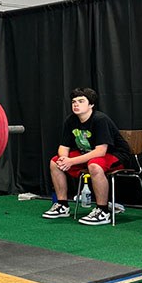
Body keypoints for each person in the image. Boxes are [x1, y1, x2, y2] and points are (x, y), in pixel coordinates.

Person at [42, 87, 132, 225]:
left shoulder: (100, 119)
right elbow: (63, 147)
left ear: (91, 104)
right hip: (88, 154)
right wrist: (63, 159)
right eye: (73, 101)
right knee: (54, 162)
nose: (76, 104)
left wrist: (71, 161)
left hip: (116, 155)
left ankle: (103, 211)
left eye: (81, 101)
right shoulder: (71, 120)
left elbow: (101, 151)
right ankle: (62, 205)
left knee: (95, 166)